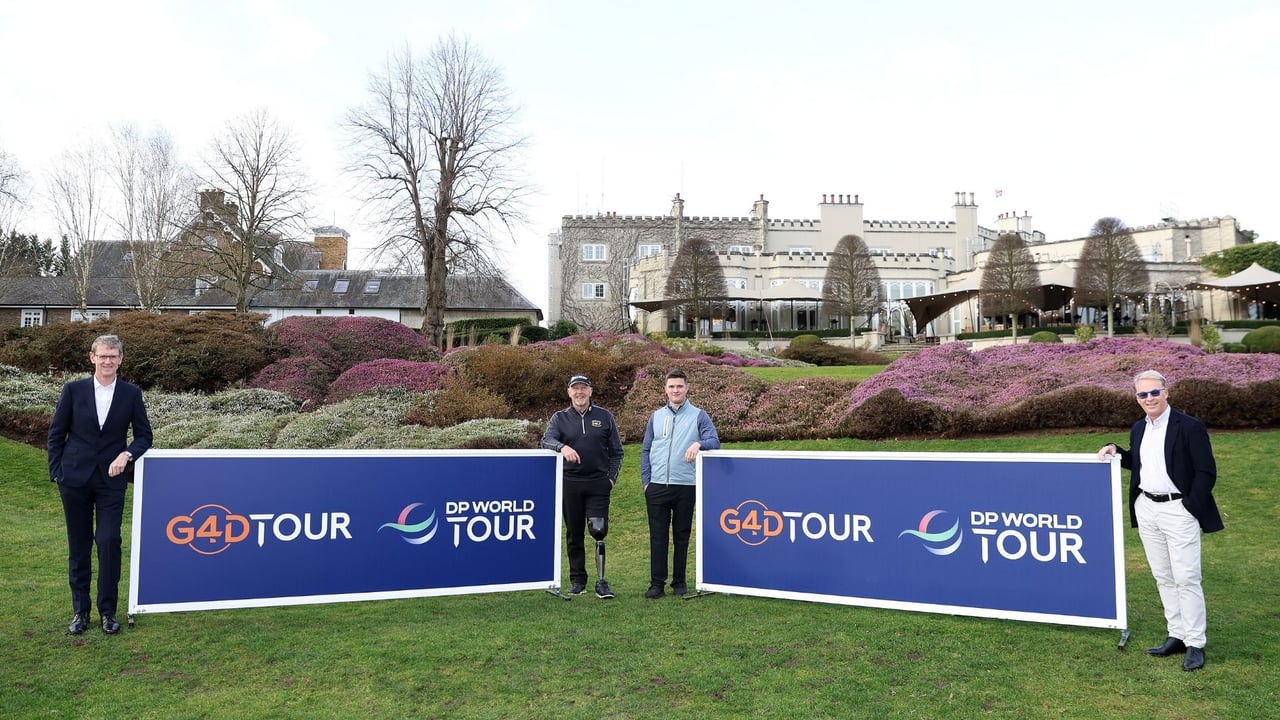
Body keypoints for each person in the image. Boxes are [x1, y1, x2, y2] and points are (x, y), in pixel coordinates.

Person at [1098, 369, 1222, 672]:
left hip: (1179, 510)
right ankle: (1176, 634)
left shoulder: (1189, 427)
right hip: (1147, 508)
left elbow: (1206, 472)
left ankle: (1196, 642)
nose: (1149, 398)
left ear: (1166, 392)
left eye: (1155, 392)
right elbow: (1141, 462)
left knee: (1186, 577)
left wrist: (1189, 504)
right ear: (1137, 398)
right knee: (1163, 576)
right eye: (1143, 394)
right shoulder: (1139, 428)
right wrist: (1117, 451)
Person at [48, 334, 153, 635]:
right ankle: (80, 611)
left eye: (113, 356)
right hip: (74, 479)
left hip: (112, 479)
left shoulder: (131, 394)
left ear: (121, 359)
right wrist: (57, 472)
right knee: (79, 546)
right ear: (92, 357)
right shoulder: (74, 390)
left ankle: (108, 611)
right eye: (103, 356)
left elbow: (145, 435)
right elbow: (56, 434)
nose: (108, 361)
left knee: (108, 542)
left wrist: (127, 454)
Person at [541, 374, 624, 599]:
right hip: (570, 484)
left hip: (598, 483)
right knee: (574, 533)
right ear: (569, 392)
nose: (579, 392)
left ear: (590, 391)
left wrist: (611, 479)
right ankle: (578, 580)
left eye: (583, 388)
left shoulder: (605, 416)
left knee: (599, 530)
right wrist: (562, 448)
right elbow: (546, 440)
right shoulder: (560, 418)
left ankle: (601, 581)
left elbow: (617, 452)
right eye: (575, 388)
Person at [640, 369, 720, 599]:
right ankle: (657, 584)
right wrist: (647, 481)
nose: (675, 390)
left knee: (681, 534)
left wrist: (699, 445)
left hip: (686, 485)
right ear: (665, 389)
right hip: (656, 485)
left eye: (679, 386)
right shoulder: (655, 416)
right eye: (671, 386)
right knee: (658, 536)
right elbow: (646, 449)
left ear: (687, 388)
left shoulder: (699, 415)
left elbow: (714, 441)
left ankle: (679, 582)